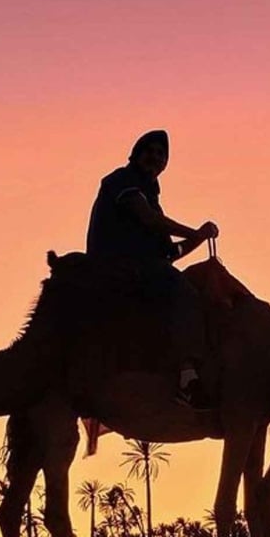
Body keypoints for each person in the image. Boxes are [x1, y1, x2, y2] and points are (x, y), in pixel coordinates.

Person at [85, 130, 218, 407]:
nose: (155, 157)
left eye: (161, 154)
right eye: (150, 151)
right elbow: (148, 220)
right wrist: (193, 231)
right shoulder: (121, 182)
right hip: (119, 266)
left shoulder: (149, 197)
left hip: (146, 266)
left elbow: (170, 253)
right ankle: (187, 377)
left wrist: (200, 237)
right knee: (186, 294)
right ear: (136, 154)